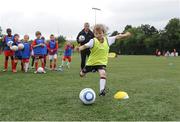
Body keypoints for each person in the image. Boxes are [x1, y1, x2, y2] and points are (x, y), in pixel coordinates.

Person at [76, 24, 131, 96]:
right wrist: (79, 48)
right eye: (96, 34)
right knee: (82, 74)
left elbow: (118, 36)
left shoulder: (108, 39)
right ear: (94, 34)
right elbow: (85, 46)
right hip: (91, 63)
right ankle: (86, 71)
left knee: (103, 74)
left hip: (101, 63)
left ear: (103, 33)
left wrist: (126, 35)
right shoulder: (93, 41)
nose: (98, 35)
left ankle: (102, 91)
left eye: (100, 33)